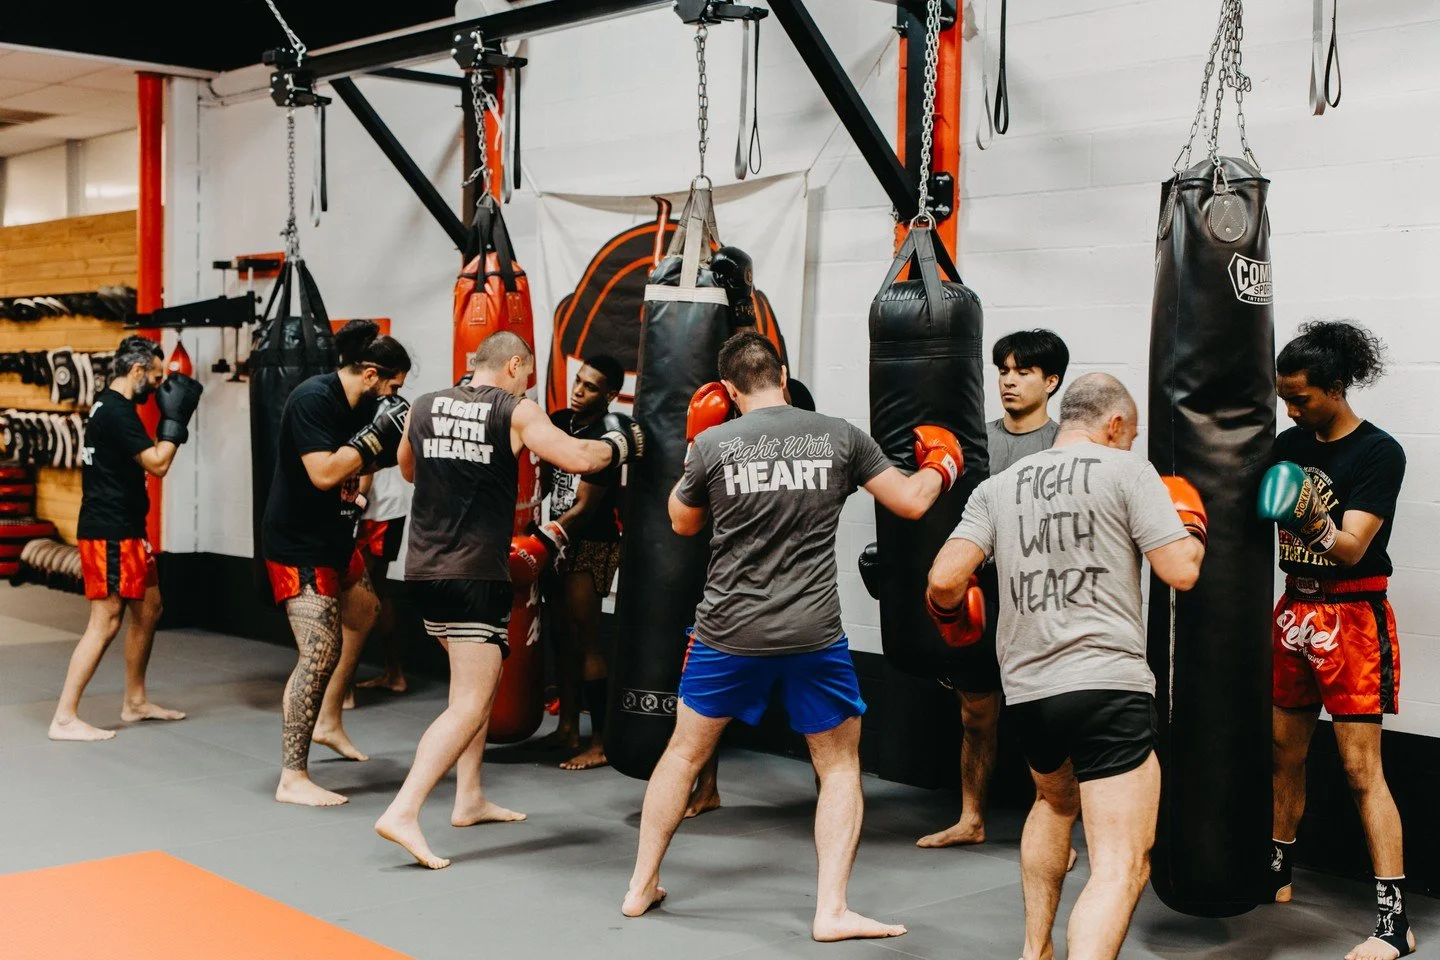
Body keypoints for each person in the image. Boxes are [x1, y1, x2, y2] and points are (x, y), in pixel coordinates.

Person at [621, 332, 959, 942]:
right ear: (781, 373)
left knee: (682, 754)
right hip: (813, 635)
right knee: (837, 767)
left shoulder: (713, 443)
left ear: (727, 389)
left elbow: (681, 521)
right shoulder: (838, 434)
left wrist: (695, 447)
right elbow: (911, 503)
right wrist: (943, 465)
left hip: (726, 630)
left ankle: (641, 884)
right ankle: (830, 910)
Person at [927, 373, 1206, 960]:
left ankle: (1035, 950)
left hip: (1029, 693)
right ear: (1114, 425)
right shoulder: (1129, 471)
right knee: (1120, 865)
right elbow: (1181, 571)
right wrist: (1193, 529)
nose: (1128, 444)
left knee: (1054, 803)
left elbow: (944, 580)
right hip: (1107, 688)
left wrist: (953, 619)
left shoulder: (997, 487)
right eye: (1128, 436)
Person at [374, 331, 645, 868]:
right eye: (525, 373)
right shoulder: (514, 410)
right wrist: (624, 443)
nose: (527, 381)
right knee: (471, 704)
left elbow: (409, 469)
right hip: (475, 572)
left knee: (475, 682)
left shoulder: (425, 405)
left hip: (423, 570)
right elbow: (577, 456)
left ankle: (469, 796)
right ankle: (403, 811)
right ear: (515, 365)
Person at [1260, 322, 1412, 960]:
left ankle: (1392, 922)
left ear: (1337, 387)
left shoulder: (1380, 452)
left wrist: (1305, 513)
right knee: (1282, 751)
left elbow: (1350, 546)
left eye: (1302, 397)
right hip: (1295, 607)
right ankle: (1276, 870)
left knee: (1358, 769)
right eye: (1285, 398)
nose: (1292, 410)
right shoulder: (1288, 442)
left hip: (1353, 616)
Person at [919, 328, 1069, 849]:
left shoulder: (1064, 446)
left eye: (1023, 371)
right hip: (983, 599)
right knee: (976, 715)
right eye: (1003, 370)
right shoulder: (973, 440)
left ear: (1051, 381)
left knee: (1046, 720)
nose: (1009, 380)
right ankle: (971, 818)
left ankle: (1056, 834)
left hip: (1040, 599)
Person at [261, 320, 410, 806]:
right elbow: (324, 472)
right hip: (298, 546)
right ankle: (292, 777)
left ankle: (327, 720)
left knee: (364, 611)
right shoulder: (313, 399)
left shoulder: (365, 405)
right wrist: (370, 443)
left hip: (337, 539)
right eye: (392, 384)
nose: (393, 393)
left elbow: (364, 468)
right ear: (370, 373)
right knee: (318, 653)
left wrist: (390, 448)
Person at [49, 335, 202, 741]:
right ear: (136, 371)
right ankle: (64, 716)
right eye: (153, 378)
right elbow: (158, 464)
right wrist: (175, 423)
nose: (156, 387)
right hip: (109, 532)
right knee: (107, 620)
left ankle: (134, 701)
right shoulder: (117, 411)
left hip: (129, 529)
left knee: (150, 607)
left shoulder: (107, 402)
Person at [682, 374, 816, 819]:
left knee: (825, 727)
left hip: (800, 606)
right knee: (707, 715)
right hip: (737, 599)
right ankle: (708, 788)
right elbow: (689, 518)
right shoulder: (730, 442)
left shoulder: (812, 433)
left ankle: (827, 794)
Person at [537, 354, 627, 771]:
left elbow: (588, 508)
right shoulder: (557, 422)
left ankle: (602, 742)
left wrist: (546, 539)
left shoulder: (607, 436)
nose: (578, 390)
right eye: (578, 381)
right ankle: (568, 727)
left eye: (590, 387)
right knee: (560, 635)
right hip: (556, 541)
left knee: (585, 636)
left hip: (591, 541)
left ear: (609, 395)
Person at [351, 465, 412, 698]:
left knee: (355, 595)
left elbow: (364, 474)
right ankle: (394, 674)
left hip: (375, 512)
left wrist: (349, 507)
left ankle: (344, 688)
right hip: (388, 507)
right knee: (377, 591)